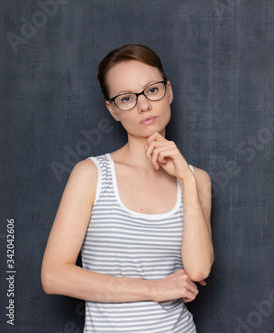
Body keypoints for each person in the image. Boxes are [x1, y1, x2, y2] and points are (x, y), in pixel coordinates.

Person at [41, 44, 214, 332]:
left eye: (152, 90)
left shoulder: (197, 179)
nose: (144, 105)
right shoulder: (91, 175)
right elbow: (54, 276)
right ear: (112, 110)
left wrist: (186, 179)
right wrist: (153, 289)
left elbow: (198, 270)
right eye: (126, 98)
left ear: (168, 92)